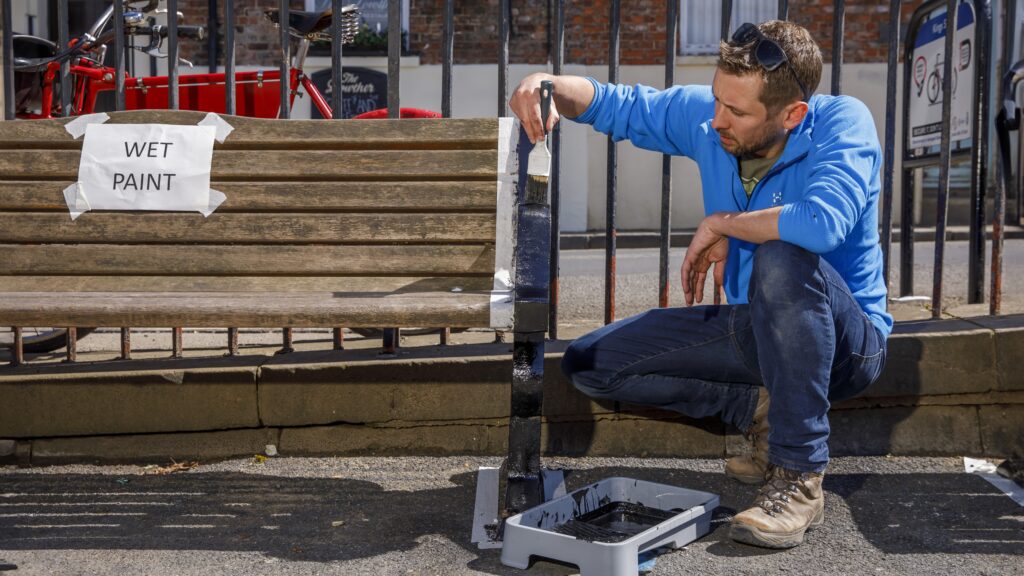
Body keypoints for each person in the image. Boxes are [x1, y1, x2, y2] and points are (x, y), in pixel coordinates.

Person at [509, 20, 891, 549]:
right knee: (593, 364)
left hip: (849, 342)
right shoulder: (711, 118)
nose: (716, 121)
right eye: (716, 100)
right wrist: (544, 82)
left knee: (781, 257)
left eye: (736, 112)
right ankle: (770, 411)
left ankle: (798, 475)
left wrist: (723, 224)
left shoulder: (842, 123)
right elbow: (615, 104)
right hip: (757, 328)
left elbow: (822, 223)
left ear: (792, 114)